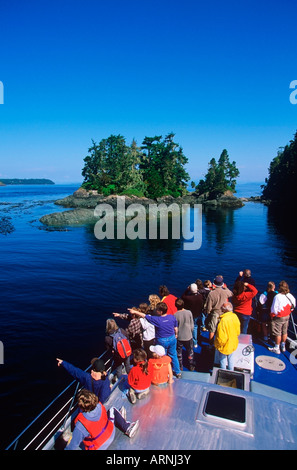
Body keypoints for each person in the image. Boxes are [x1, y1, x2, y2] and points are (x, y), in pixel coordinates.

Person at [64, 389, 139, 450]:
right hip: (110, 434)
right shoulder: (99, 405)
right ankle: (124, 424)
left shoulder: (81, 425)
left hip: (99, 447)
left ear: (81, 406)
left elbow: (72, 446)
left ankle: (122, 421)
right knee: (112, 410)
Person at [129, 302, 182, 378]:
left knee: (162, 356)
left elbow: (144, 316)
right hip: (172, 338)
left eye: (157, 310)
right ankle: (178, 372)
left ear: (160, 312)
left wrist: (134, 312)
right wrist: (176, 334)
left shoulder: (157, 320)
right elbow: (176, 328)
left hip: (162, 340)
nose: (155, 310)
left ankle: (165, 372)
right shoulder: (172, 317)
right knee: (173, 355)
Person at [268, 280, 296, 354]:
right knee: (284, 331)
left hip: (279, 317)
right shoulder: (290, 295)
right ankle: (283, 346)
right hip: (287, 316)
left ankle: (277, 348)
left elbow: (274, 308)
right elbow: (293, 305)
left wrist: (272, 316)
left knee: (278, 333)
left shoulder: (277, 297)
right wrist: (289, 311)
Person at [204, 275, 233, 346]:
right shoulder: (225, 292)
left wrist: (208, 312)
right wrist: (225, 288)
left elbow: (209, 306)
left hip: (215, 313)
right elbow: (231, 294)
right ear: (222, 284)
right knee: (222, 328)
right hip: (223, 312)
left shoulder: (211, 293)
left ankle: (211, 344)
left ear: (214, 284)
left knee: (212, 329)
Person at [214, 302, 241, 370]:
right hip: (233, 342)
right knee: (231, 358)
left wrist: (218, 344)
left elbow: (221, 336)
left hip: (224, 345)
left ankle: (223, 372)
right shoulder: (235, 316)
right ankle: (231, 371)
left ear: (225, 310)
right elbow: (238, 331)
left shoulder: (223, 320)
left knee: (222, 360)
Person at [174, 298, 195, 371]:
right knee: (190, 351)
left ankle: (180, 366)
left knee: (179, 353)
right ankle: (191, 365)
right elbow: (192, 324)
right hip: (188, 336)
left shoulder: (175, 315)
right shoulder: (189, 312)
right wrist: (190, 331)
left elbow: (175, 327)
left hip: (179, 337)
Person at [181, 283, 203, 347]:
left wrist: (187, 290)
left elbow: (183, 296)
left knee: (193, 327)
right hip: (198, 313)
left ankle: (194, 342)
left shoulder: (188, 298)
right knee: (196, 326)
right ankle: (196, 340)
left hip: (191, 315)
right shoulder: (200, 296)